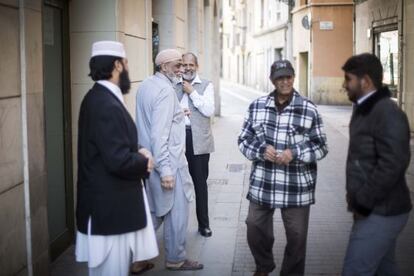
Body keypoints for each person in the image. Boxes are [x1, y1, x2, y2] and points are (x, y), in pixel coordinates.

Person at [238, 60, 328, 276]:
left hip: (296, 187)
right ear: (272, 80)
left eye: (288, 76)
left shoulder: (308, 109)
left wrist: (295, 153)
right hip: (263, 183)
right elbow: (243, 139)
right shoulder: (256, 106)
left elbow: (321, 146)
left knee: (297, 238)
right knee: (254, 226)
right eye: (280, 77)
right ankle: (264, 265)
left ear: (293, 78)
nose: (285, 81)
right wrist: (261, 150)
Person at [75, 40, 158, 276]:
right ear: (117, 65)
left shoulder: (99, 98)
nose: (128, 69)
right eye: (126, 63)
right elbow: (117, 160)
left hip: (110, 211)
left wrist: (138, 149)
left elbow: (111, 144)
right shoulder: (104, 103)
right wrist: (144, 161)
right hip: (109, 214)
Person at [341, 53, 412, 276]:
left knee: (354, 271)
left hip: (381, 211)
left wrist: (363, 201)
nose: (344, 85)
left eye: (348, 79)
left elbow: (393, 163)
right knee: (385, 269)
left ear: (366, 81)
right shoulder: (365, 109)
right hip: (376, 209)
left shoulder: (387, 113)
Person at [135, 49, 203, 270]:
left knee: (155, 212)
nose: (181, 68)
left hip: (151, 162)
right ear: (163, 66)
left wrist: (176, 116)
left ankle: (137, 258)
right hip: (168, 163)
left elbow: (152, 123)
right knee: (177, 212)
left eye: (183, 65)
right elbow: (159, 134)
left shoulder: (146, 85)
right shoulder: (165, 91)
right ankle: (176, 258)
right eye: (177, 65)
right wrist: (166, 171)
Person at [175, 52, 215, 237]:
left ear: (196, 66)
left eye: (191, 64)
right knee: (176, 183)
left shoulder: (206, 85)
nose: (188, 68)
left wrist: (193, 93)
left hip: (198, 140)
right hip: (177, 139)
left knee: (200, 183)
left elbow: (208, 110)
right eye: (184, 65)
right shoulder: (173, 85)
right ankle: (176, 227)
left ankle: (203, 224)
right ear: (180, 67)